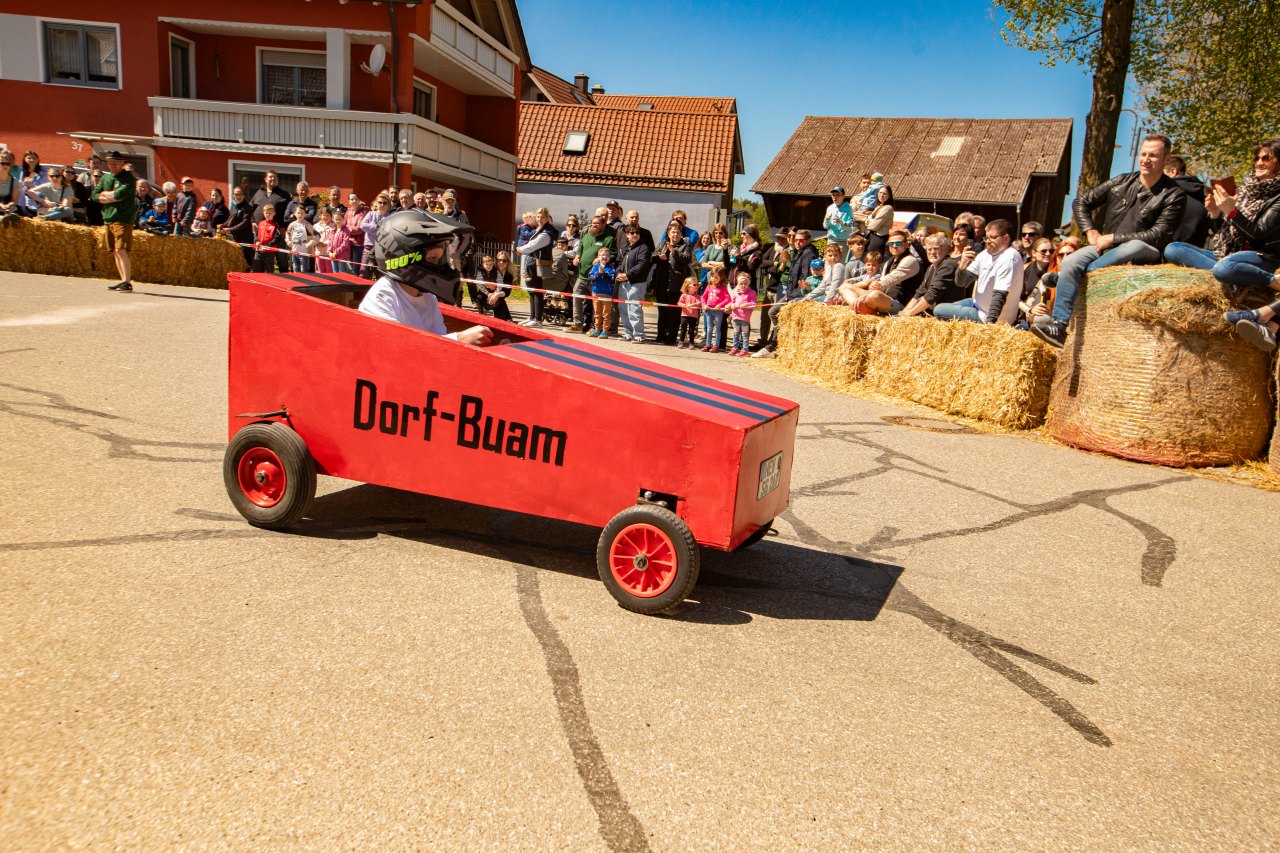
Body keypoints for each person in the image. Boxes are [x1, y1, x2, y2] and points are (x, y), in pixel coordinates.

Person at [1032, 134, 1186, 347]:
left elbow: (1160, 234)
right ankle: (1059, 326)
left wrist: (1114, 238)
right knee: (1070, 262)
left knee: (1132, 246)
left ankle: (1071, 279)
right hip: (1103, 249)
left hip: (1144, 250)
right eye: (1143, 154)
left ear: (1166, 160)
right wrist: (1090, 230)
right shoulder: (1121, 181)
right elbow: (1082, 202)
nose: (1145, 160)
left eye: (1153, 155)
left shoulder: (1174, 194)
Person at [1165, 139, 1280, 351]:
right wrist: (1217, 213)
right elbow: (1227, 233)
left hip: (1261, 255)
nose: (1259, 162)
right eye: (1257, 157)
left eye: (1266, 158)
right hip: (1231, 252)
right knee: (1173, 249)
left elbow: (1259, 237)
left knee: (1223, 269)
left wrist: (1232, 212)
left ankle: (1271, 281)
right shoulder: (1247, 189)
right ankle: (1247, 281)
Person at [358, 209, 492, 346]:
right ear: (405, 258)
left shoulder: (428, 298)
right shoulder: (382, 297)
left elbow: (439, 343)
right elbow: (397, 350)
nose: (442, 266)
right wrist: (460, 338)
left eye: (443, 257)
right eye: (434, 258)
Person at [934, 219, 1025, 324]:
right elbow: (962, 282)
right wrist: (963, 264)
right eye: (986, 237)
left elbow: (1000, 294)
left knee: (939, 310)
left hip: (987, 316)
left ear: (1006, 238)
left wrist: (990, 324)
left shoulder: (1010, 257)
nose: (988, 241)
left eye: (993, 237)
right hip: (976, 304)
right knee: (945, 307)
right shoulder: (985, 254)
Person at [96, 153, 137, 292]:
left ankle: (127, 282)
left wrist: (105, 195)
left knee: (121, 249)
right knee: (114, 251)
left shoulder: (128, 179)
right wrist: (109, 197)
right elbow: (95, 195)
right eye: (110, 162)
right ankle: (122, 280)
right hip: (108, 218)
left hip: (122, 218)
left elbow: (120, 195)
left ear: (122, 164)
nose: (113, 165)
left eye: (116, 162)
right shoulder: (105, 177)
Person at [568, 214, 615, 332]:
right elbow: (580, 249)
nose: (593, 225)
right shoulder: (586, 236)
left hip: (596, 278)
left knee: (596, 303)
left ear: (603, 225)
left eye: (597, 223)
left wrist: (600, 259)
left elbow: (614, 254)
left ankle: (595, 327)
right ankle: (578, 324)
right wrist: (577, 257)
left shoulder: (608, 239)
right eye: (592, 223)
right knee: (576, 296)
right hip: (582, 275)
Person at [654, 220, 697, 344]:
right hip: (662, 283)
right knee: (662, 312)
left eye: (677, 233)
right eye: (673, 232)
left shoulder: (685, 246)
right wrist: (658, 257)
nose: (675, 235)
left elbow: (686, 259)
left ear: (681, 234)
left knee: (674, 313)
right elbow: (652, 257)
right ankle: (660, 335)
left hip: (676, 284)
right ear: (668, 234)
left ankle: (671, 337)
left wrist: (674, 251)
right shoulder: (662, 244)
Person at [900, 233, 963, 317]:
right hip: (934, 313)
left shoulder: (948, 265)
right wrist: (905, 312)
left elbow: (933, 294)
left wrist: (910, 313)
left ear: (946, 249)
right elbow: (920, 291)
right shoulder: (931, 267)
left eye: (936, 249)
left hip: (948, 316)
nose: (932, 252)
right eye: (929, 249)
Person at [616, 224, 653, 342]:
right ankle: (628, 333)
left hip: (636, 282)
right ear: (627, 235)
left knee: (634, 308)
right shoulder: (624, 248)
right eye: (632, 233)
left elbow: (642, 265)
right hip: (623, 282)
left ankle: (639, 334)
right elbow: (619, 263)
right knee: (623, 308)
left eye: (637, 232)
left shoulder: (643, 248)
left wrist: (627, 275)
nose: (635, 235)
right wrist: (619, 273)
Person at [1163, 154, 1210, 248]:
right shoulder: (1205, 199)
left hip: (1167, 251)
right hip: (1196, 252)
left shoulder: (1166, 195)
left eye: (1162, 174)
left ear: (1173, 171)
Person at [251, 171, 291, 272]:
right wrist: (252, 221)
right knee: (260, 262)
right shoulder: (258, 193)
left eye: (275, 177)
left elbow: (290, 213)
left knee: (282, 260)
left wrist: (285, 227)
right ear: (265, 179)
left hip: (278, 234)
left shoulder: (284, 195)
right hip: (261, 233)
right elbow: (250, 208)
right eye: (270, 177)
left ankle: (285, 282)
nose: (273, 179)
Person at [1018, 237, 1057, 326]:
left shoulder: (1056, 271)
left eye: (1051, 251)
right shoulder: (1024, 269)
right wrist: (1030, 310)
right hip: (1026, 316)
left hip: (1047, 317)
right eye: (1043, 251)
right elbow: (1015, 297)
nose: (1048, 254)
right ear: (1034, 253)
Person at [220, 185, 256, 267]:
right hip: (235, 237)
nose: (238, 196)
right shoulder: (233, 206)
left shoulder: (248, 207)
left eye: (240, 194)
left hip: (245, 238)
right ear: (233, 196)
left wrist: (230, 229)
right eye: (236, 194)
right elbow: (230, 219)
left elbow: (245, 223)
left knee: (247, 259)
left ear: (244, 195)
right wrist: (223, 225)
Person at [857, 185, 895, 255]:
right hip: (872, 236)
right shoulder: (878, 207)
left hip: (878, 238)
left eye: (884, 194)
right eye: (880, 193)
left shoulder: (887, 208)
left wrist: (868, 220)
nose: (882, 195)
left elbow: (873, 226)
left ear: (889, 196)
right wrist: (869, 220)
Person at [587, 247, 616, 338]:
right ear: (598, 257)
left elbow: (611, 280)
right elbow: (591, 278)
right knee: (597, 313)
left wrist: (603, 274)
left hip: (607, 294)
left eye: (607, 255)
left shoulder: (611, 268)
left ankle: (605, 330)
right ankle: (597, 329)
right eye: (602, 255)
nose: (604, 257)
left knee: (606, 313)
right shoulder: (595, 267)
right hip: (596, 293)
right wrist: (598, 274)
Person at [475, 253, 513, 321]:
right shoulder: (486, 270)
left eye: (504, 261)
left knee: (501, 317)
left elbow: (507, 292)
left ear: (508, 262)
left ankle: (508, 318)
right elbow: (479, 282)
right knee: (479, 298)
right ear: (496, 261)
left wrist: (496, 294)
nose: (501, 262)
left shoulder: (508, 275)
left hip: (498, 298)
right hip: (485, 294)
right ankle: (481, 313)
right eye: (499, 260)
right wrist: (488, 291)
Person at [700, 268, 731, 352]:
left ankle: (716, 345)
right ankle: (707, 344)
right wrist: (704, 305)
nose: (713, 279)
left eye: (716, 277)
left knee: (717, 328)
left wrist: (720, 305)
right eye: (712, 277)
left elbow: (728, 299)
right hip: (709, 310)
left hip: (718, 311)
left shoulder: (723, 288)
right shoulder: (709, 287)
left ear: (721, 278)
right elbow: (703, 298)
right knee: (709, 328)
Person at [727, 272, 758, 356]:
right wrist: (731, 305)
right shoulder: (736, 292)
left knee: (744, 334)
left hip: (745, 318)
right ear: (738, 283)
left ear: (748, 283)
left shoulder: (752, 293)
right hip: (736, 316)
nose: (743, 285)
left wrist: (746, 305)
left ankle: (745, 349)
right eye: (741, 284)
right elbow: (732, 301)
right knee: (736, 333)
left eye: (745, 284)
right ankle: (734, 347)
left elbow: (754, 304)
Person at [252, 204, 285, 272]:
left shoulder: (275, 225)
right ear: (263, 213)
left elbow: (276, 239)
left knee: (269, 271)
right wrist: (257, 242)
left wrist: (266, 246)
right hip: (259, 250)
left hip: (269, 251)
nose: (267, 215)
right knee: (256, 269)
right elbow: (256, 234)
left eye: (270, 213)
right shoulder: (260, 223)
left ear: (274, 213)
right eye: (266, 213)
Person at [822, 186, 856, 252]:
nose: (835, 197)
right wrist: (827, 220)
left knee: (841, 262)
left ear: (843, 196)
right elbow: (825, 226)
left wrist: (841, 222)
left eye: (837, 195)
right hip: (831, 241)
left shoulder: (848, 209)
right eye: (833, 195)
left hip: (843, 241)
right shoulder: (830, 208)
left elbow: (850, 226)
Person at [343, 193, 369, 274]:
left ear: (359, 200)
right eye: (351, 199)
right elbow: (343, 224)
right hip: (348, 243)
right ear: (349, 201)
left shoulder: (363, 212)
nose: (354, 201)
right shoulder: (348, 211)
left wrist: (347, 227)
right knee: (348, 267)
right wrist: (348, 227)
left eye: (355, 199)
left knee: (356, 268)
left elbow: (359, 229)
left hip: (358, 244)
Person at [676, 277, 701, 349]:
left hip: (694, 316)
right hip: (685, 315)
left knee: (692, 330)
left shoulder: (698, 296)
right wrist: (683, 305)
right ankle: (681, 341)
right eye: (694, 285)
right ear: (688, 286)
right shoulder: (684, 295)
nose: (696, 286)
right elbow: (679, 302)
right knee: (683, 329)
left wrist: (693, 304)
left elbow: (699, 303)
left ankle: (691, 342)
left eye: (697, 284)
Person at [313, 206, 336, 273]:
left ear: (331, 216)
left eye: (328, 215)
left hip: (329, 252)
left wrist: (325, 243)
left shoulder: (334, 226)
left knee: (329, 271)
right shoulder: (315, 226)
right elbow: (313, 237)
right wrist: (317, 242)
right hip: (319, 252)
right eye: (324, 215)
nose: (326, 217)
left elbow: (334, 238)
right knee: (320, 271)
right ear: (320, 216)